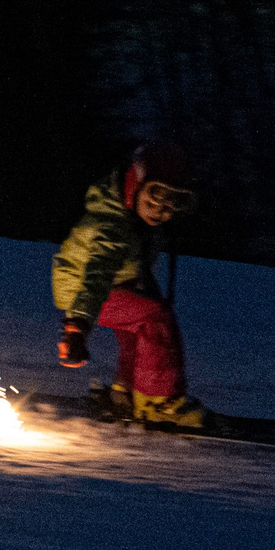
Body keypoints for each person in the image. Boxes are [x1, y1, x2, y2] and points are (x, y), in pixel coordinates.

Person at [52, 141, 207, 427]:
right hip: (83, 290)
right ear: (136, 185)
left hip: (114, 282)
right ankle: (157, 402)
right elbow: (96, 274)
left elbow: (134, 261)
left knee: (141, 328)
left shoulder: (135, 215)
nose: (161, 213)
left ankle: (128, 390)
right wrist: (77, 326)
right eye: (154, 200)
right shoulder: (111, 224)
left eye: (172, 206)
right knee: (154, 318)